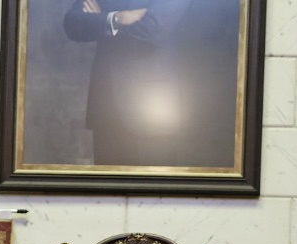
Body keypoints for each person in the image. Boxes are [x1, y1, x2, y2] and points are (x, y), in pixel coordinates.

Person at [62, 0, 241, 168]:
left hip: (151, 110)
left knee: (152, 188)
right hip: (105, 105)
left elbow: (152, 30)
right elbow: (72, 24)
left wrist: (102, 22)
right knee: (108, 188)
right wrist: (116, 18)